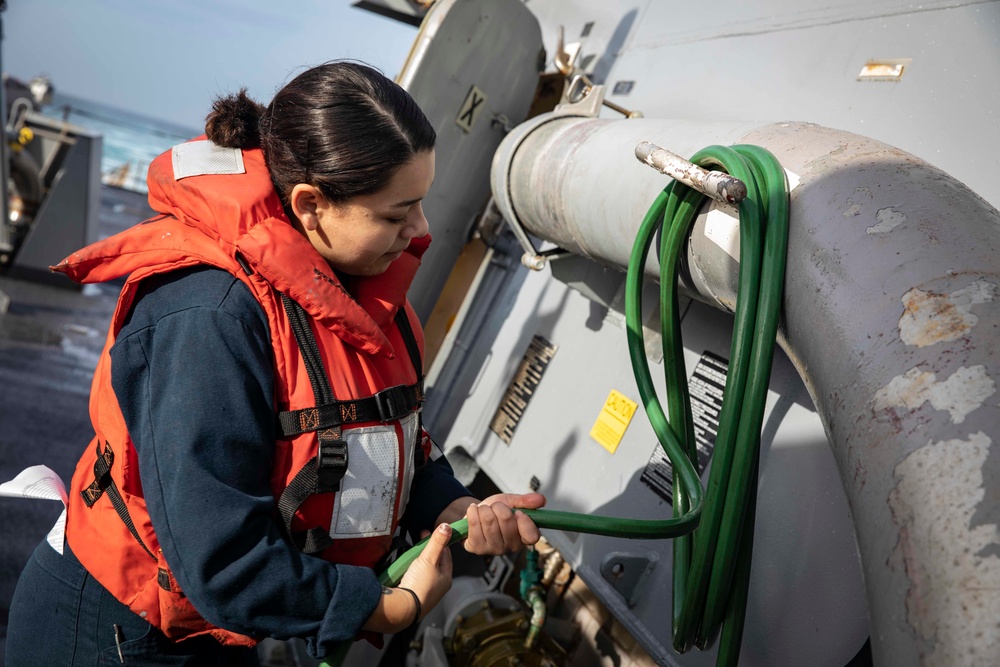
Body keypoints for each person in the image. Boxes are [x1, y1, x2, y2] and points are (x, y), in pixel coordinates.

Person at [5, 61, 545, 665]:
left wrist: (448, 504)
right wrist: (383, 607)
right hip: (115, 636)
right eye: (396, 214)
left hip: (223, 634)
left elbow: (380, 431)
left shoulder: (355, 294)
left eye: (420, 204)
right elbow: (224, 558)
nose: (420, 230)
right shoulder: (208, 316)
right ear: (310, 205)